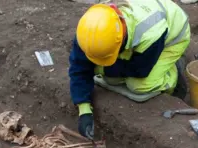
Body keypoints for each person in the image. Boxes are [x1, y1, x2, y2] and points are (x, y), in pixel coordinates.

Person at [69, 0, 191, 139]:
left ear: (120, 41)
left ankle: (172, 74)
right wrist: (84, 110)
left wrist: (102, 70)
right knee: (111, 79)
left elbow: (140, 69)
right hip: (142, 32)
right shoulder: (90, 32)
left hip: (173, 35)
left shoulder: (149, 33)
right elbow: (79, 68)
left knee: (140, 86)